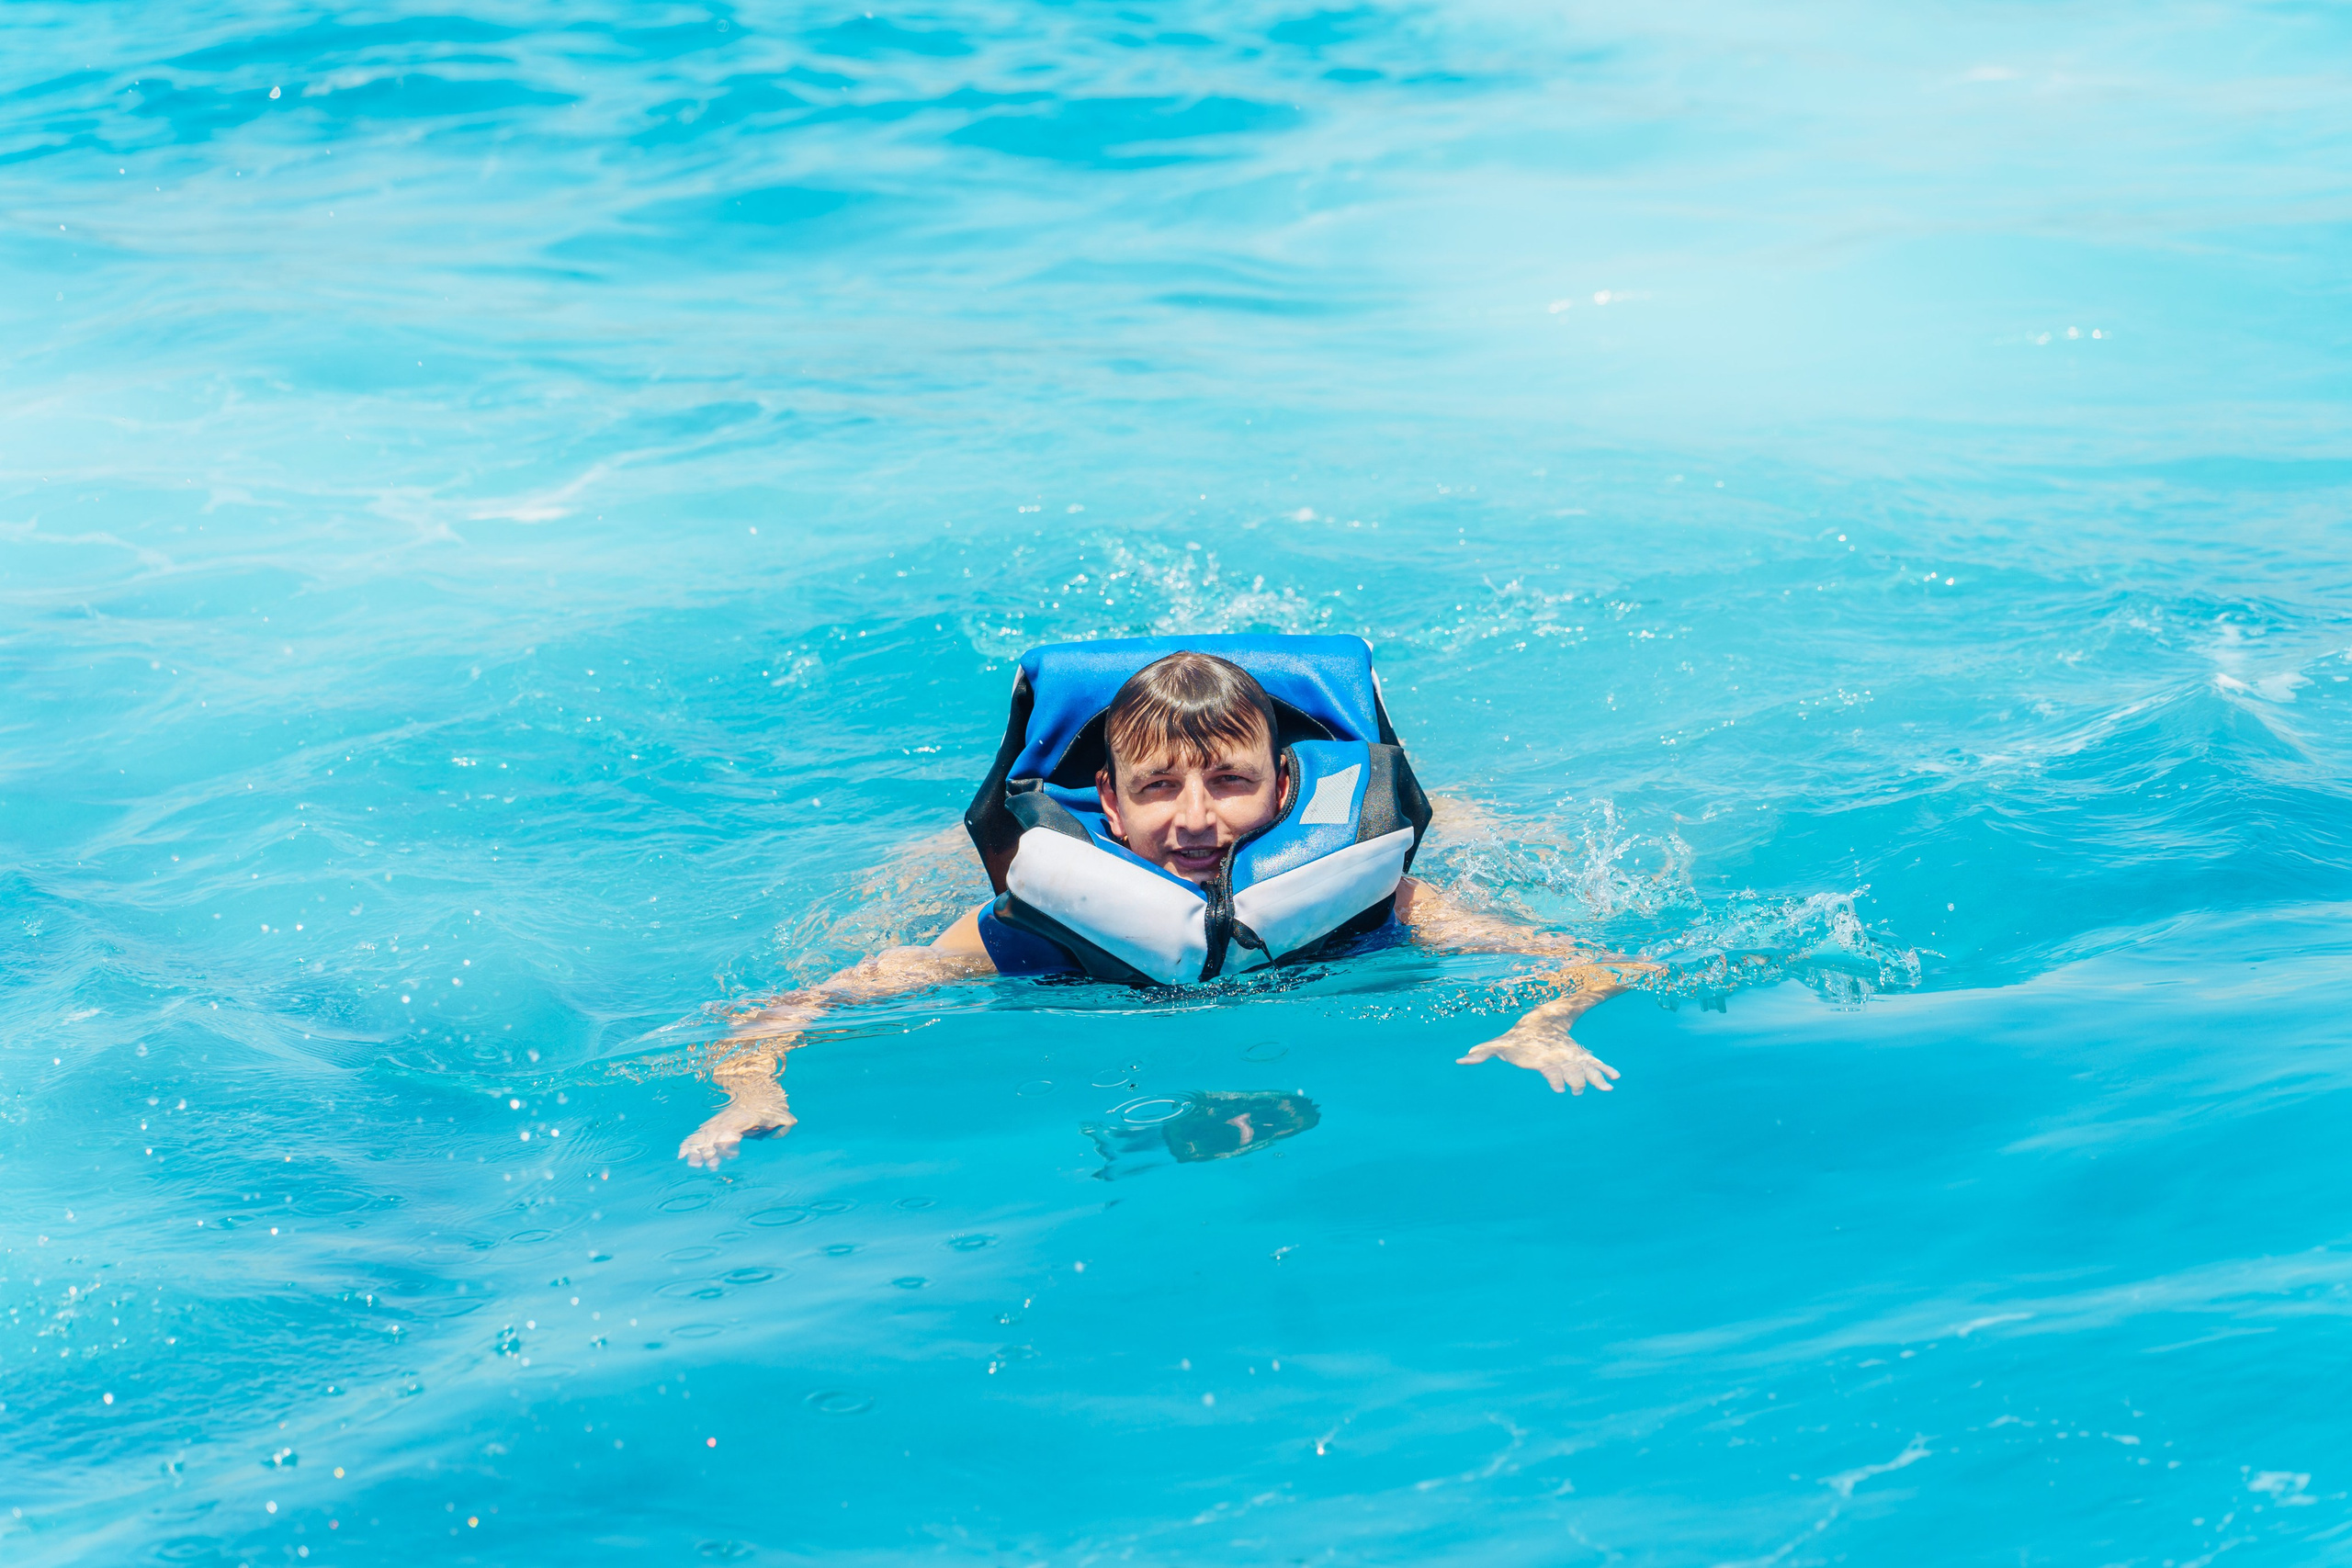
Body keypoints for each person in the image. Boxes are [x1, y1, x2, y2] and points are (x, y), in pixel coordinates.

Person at [679, 645, 1659, 1168]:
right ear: (1107, 804)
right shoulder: (1032, 927)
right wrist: (751, 1089)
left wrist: (1545, 1023)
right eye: (1158, 790)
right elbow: (797, 1002)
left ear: (1284, 788)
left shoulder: (1382, 899)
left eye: (1230, 782)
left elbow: (1602, 962)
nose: (1195, 819)